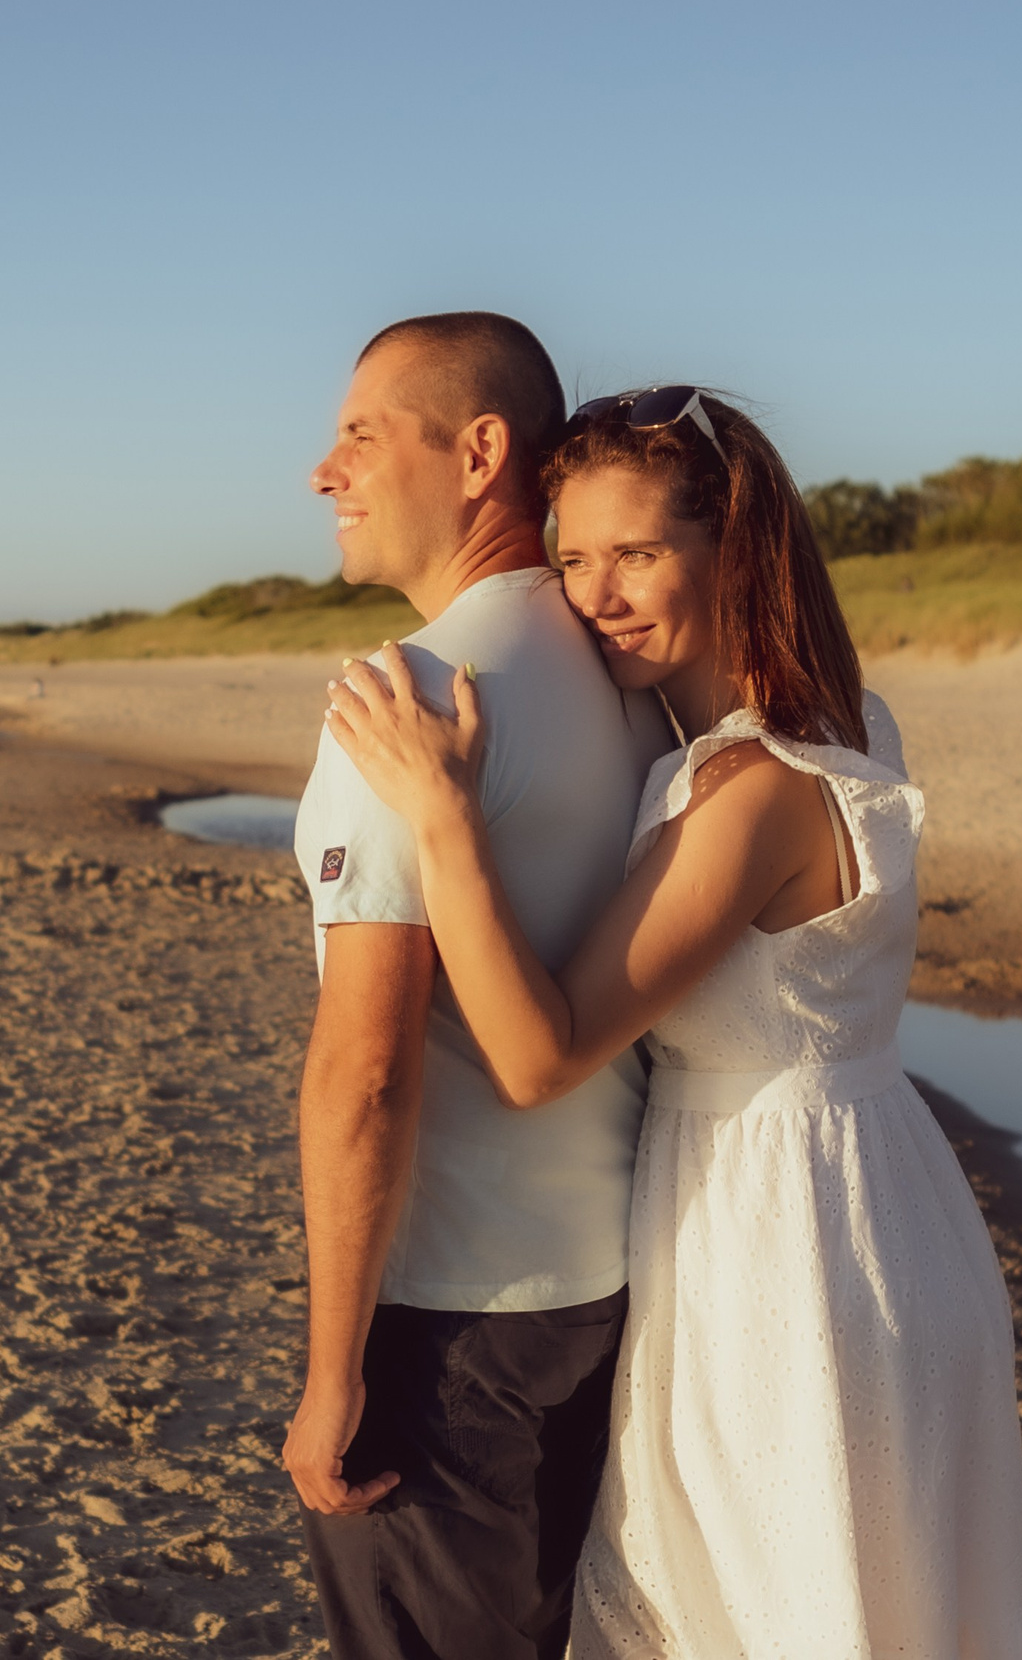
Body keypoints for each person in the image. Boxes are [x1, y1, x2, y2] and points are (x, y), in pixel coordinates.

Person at [324, 385, 1022, 1659]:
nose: (596, 594)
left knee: (791, 1605)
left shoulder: (757, 787)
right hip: (859, 1191)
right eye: (571, 558)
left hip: (789, 1244)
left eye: (639, 554)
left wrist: (443, 823)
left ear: (737, 552)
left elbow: (541, 1056)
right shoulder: (842, 716)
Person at [281, 314, 674, 1659]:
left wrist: (336, 1367)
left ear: (480, 450)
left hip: (453, 1324)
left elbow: (365, 1069)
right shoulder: (626, 677)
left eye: (358, 435)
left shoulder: (407, 706)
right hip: (606, 1284)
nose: (321, 472)